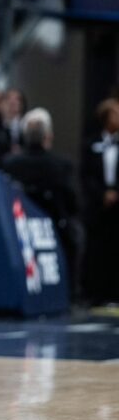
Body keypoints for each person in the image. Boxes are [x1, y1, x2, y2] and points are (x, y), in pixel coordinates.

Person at [2, 108, 82, 298]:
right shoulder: (62, 164)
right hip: (56, 227)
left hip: (17, 227)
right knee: (77, 234)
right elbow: (74, 201)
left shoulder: (9, 163)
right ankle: (71, 292)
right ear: (48, 136)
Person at [82, 98, 119, 303]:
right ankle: (94, 292)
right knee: (96, 249)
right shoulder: (91, 143)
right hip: (97, 206)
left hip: (117, 206)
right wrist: (102, 194)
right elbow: (86, 175)